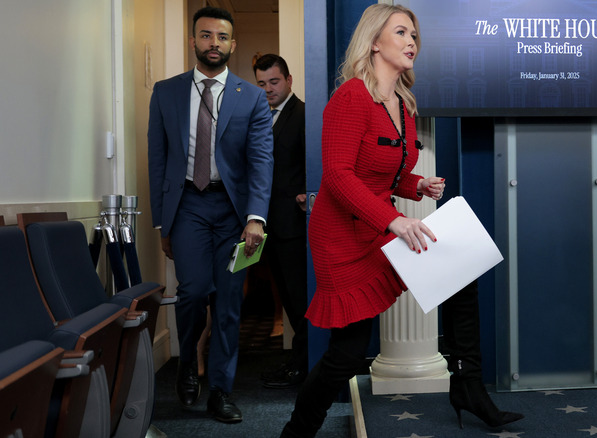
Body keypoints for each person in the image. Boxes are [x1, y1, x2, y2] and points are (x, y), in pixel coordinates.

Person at [279, 4, 522, 437]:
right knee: (348, 355)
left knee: (460, 269)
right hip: (343, 238)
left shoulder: (403, 103)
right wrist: (395, 221)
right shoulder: (350, 96)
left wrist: (417, 185)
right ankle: (297, 431)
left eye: (414, 34)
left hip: (379, 227)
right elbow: (338, 176)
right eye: (401, 32)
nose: (412, 41)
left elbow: (383, 171)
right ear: (374, 41)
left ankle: (468, 386)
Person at [147, 6, 274, 424]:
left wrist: (256, 216)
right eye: (205, 36)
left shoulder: (251, 96)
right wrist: (161, 221)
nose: (213, 44)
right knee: (193, 290)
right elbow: (158, 158)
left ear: (232, 44)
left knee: (228, 303)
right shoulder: (165, 92)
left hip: (233, 210)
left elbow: (260, 161)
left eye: (221, 37)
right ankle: (187, 361)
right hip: (187, 206)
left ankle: (220, 389)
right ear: (193, 41)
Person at [252, 53, 309, 389]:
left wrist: (306, 191)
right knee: (286, 300)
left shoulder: (303, 114)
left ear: (289, 80)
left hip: (294, 224)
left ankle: (304, 367)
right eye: (261, 83)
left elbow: (313, 160)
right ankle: (298, 363)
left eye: (274, 82)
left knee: (299, 300)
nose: (268, 89)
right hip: (265, 224)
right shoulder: (259, 116)